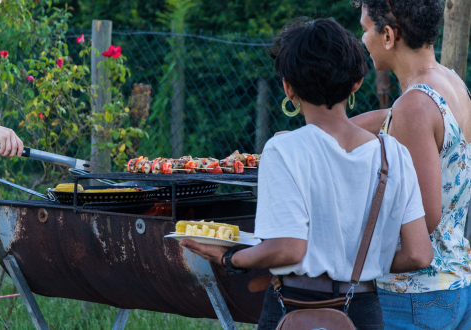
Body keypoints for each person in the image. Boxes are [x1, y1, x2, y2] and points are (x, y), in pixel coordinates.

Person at [181, 18, 433, 330]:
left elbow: (288, 248)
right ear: (356, 83)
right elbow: (419, 254)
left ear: (288, 87)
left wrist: (228, 258)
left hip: (294, 307)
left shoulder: (284, 149)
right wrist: (360, 262)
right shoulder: (393, 154)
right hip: (364, 311)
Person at [350, 1, 471, 328]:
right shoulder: (449, 82)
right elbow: (394, 120)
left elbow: (424, 218)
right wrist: (331, 132)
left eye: (364, 29)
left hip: (414, 296)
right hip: (454, 282)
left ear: (388, 35)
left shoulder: (414, 107)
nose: (363, 39)